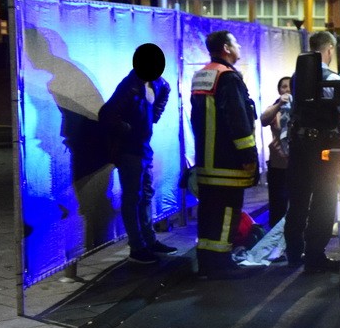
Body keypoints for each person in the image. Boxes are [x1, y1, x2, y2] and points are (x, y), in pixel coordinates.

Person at [189, 30, 260, 278]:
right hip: (227, 163)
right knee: (228, 212)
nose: (239, 45)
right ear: (226, 48)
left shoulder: (202, 75)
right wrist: (249, 155)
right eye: (236, 42)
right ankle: (221, 264)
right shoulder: (228, 77)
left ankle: (207, 262)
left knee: (209, 213)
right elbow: (237, 120)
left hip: (206, 162)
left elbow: (195, 120)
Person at [99, 43, 176, 265]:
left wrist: (151, 120)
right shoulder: (129, 85)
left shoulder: (158, 83)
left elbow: (162, 97)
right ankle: (137, 246)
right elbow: (106, 114)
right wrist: (130, 130)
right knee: (133, 198)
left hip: (143, 148)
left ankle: (149, 241)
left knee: (145, 195)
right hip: (130, 150)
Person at [284, 30, 340, 273]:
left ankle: (293, 252)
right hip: (323, 149)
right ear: (329, 49)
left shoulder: (297, 76)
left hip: (299, 146)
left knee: (298, 199)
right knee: (324, 199)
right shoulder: (330, 78)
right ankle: (314, 255)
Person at [260, 76, 293, 228]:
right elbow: (263, 120)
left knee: (295, 205)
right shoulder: (276, 108)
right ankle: (275, 241)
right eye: (283, 87)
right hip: (278, 166)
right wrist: (279, 104)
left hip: (296, 165)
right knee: (277, 206)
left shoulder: (300, 108)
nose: (287, 89)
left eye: (290, 86)